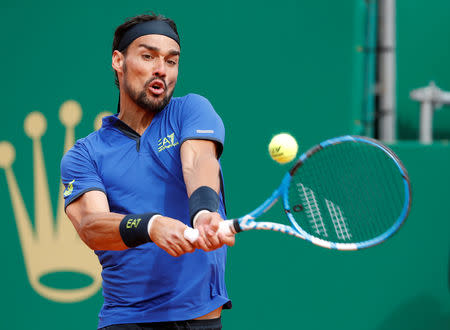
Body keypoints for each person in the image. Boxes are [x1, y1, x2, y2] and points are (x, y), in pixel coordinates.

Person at [61, 13, 234, 330]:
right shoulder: (85, 153)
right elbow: (91, 225)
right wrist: (150, 226)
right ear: (118, 60)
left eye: (171, 61)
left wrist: (205, 211)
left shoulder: (190, 110)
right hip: (129, 321)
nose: (161, 70)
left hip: (202, 320)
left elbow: (198, 161)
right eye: (148, 56)